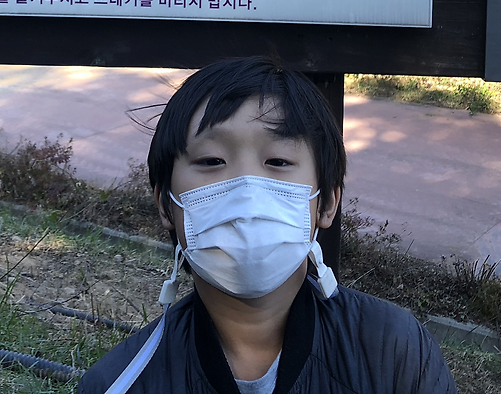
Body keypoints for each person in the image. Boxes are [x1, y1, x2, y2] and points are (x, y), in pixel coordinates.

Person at [77, 58, 457, 394]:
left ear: (326, 202)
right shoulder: (118, 383)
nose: (247, 193)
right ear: (165, 203)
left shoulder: (396, 353)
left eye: (277, 162)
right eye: (211, 161)